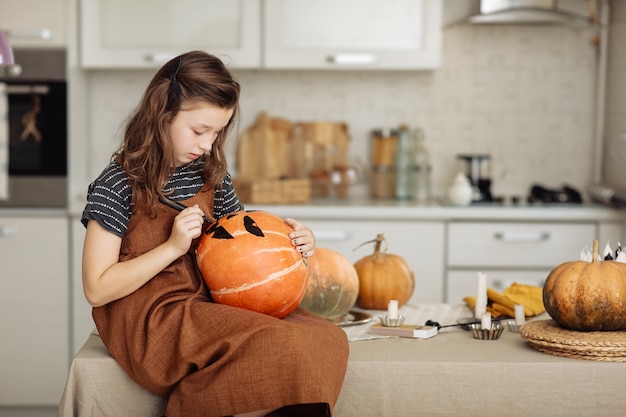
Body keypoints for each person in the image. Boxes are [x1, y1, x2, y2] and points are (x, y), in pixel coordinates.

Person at [81, 50, 349, 417]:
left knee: (325, 336)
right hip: (152, 320)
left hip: (206, 302)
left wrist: (293, 242)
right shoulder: (117, 184)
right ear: (163, 114)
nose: (207, 144)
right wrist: (173, 247)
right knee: (277, 341)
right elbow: (96, 288)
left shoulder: (211, 176)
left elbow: (244, 244)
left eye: (217, 132)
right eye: (199, 130)